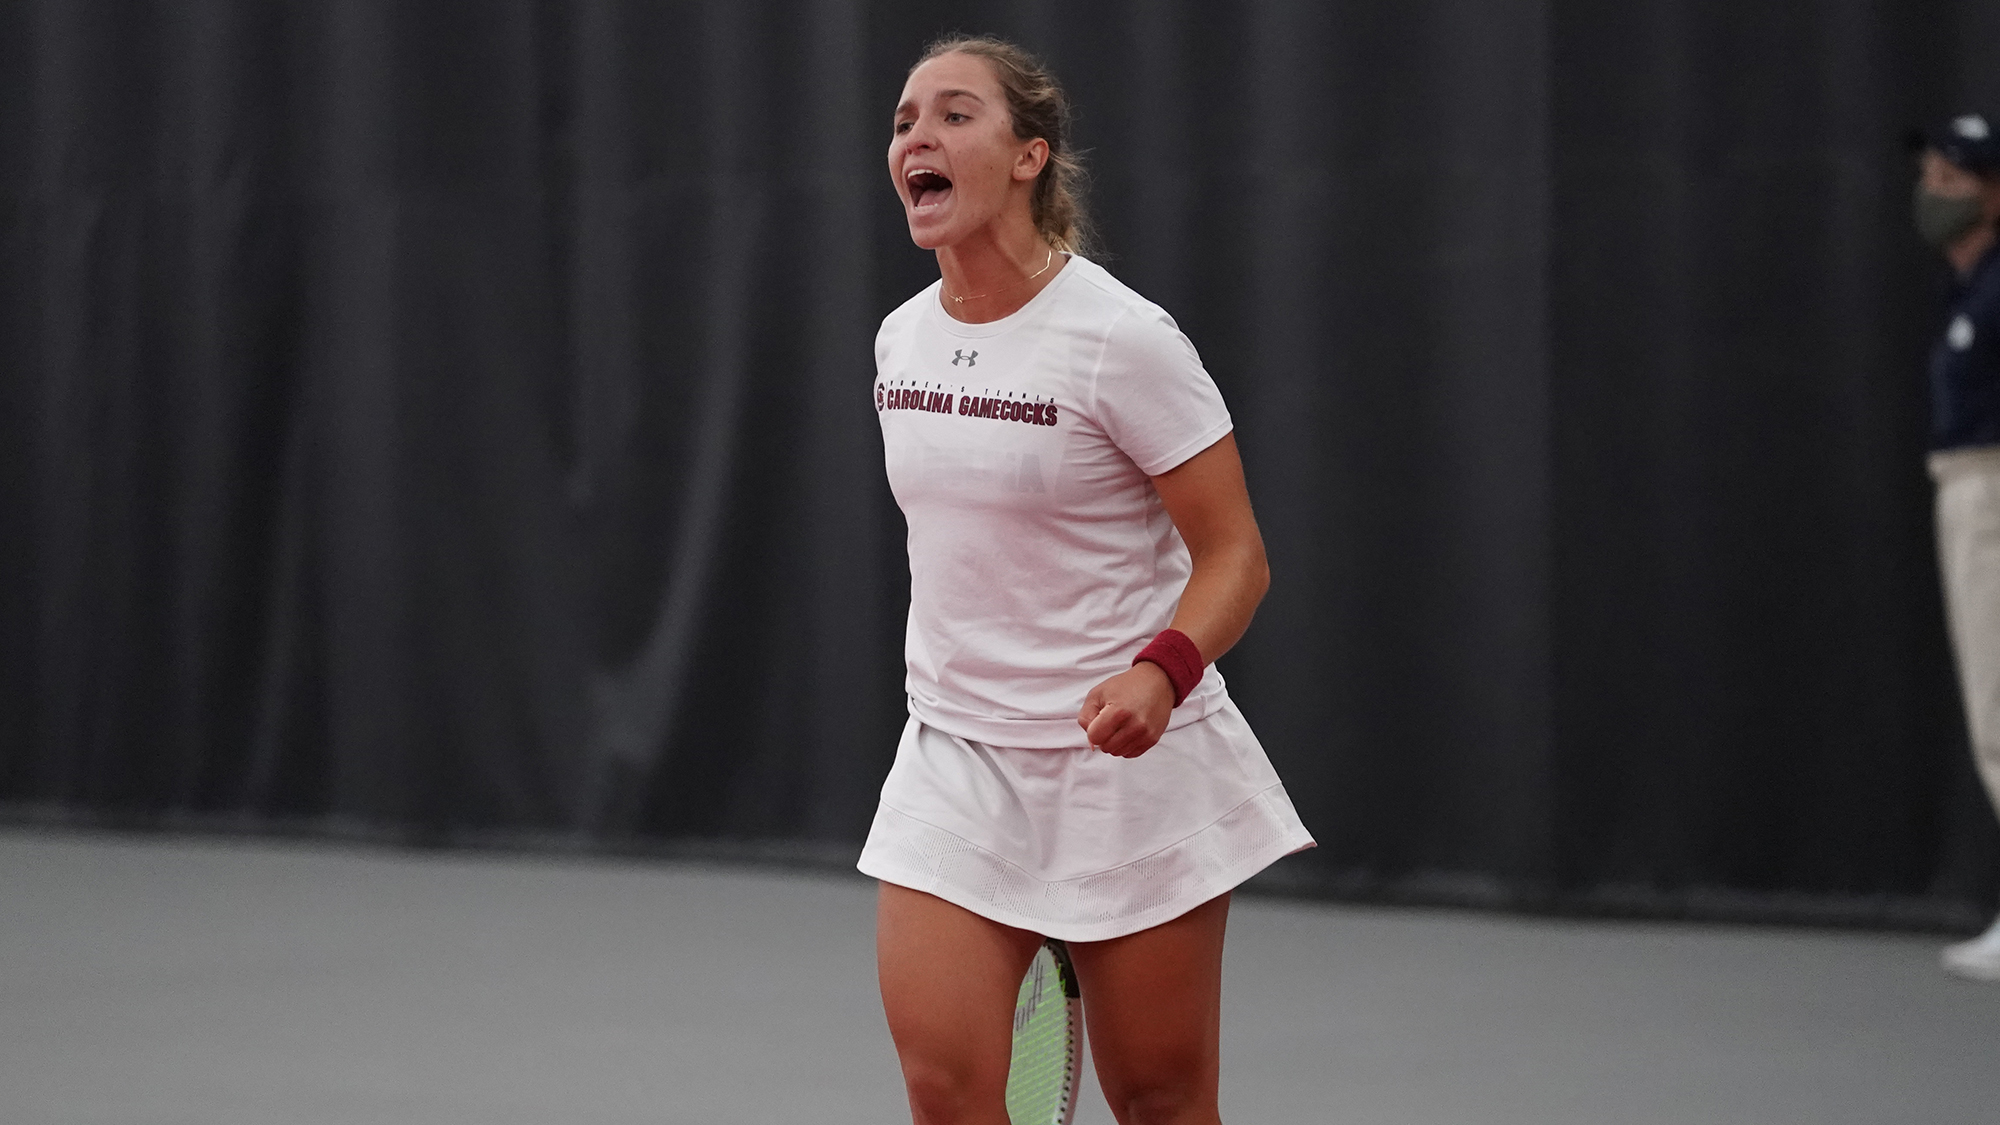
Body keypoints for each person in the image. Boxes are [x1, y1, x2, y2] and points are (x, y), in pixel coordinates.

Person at [856, 35, 1315, 1124]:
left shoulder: (1121, 339)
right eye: (904, 120)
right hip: (956, 757)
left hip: (1125, 770)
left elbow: (1235, 555)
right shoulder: (899, 342)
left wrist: (1161, 672)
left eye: (954, 114)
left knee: (1159, 1098)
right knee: (943, 1092)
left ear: (1030, 156)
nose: (917, 136)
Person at [1910, 111, 2000, 983]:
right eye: (1929, 175)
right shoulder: (1964, 287)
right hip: (1965, 483)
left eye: (1953, 179)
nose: (1932, 192)